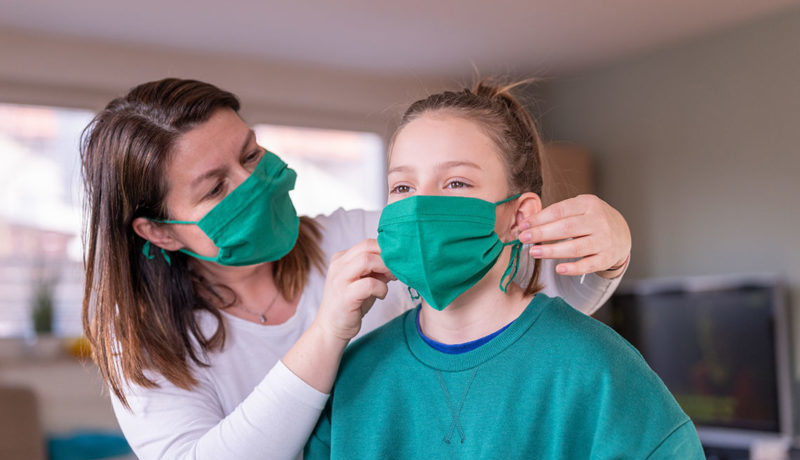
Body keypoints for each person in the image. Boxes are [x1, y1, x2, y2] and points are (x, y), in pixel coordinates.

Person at [79, 78, 631, 460]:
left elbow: (532, 298)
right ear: (160, 230)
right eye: (216, 187)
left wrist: (610, 251)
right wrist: (326, 333)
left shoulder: (367, 236)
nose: (252, 184)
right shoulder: (145, 346)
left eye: (250, 155)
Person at [304, 80, 703, 459]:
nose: (420, 208)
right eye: (403, 188)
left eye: (456, 183)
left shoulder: (596, 370)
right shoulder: (354, 377)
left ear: (519, 216)